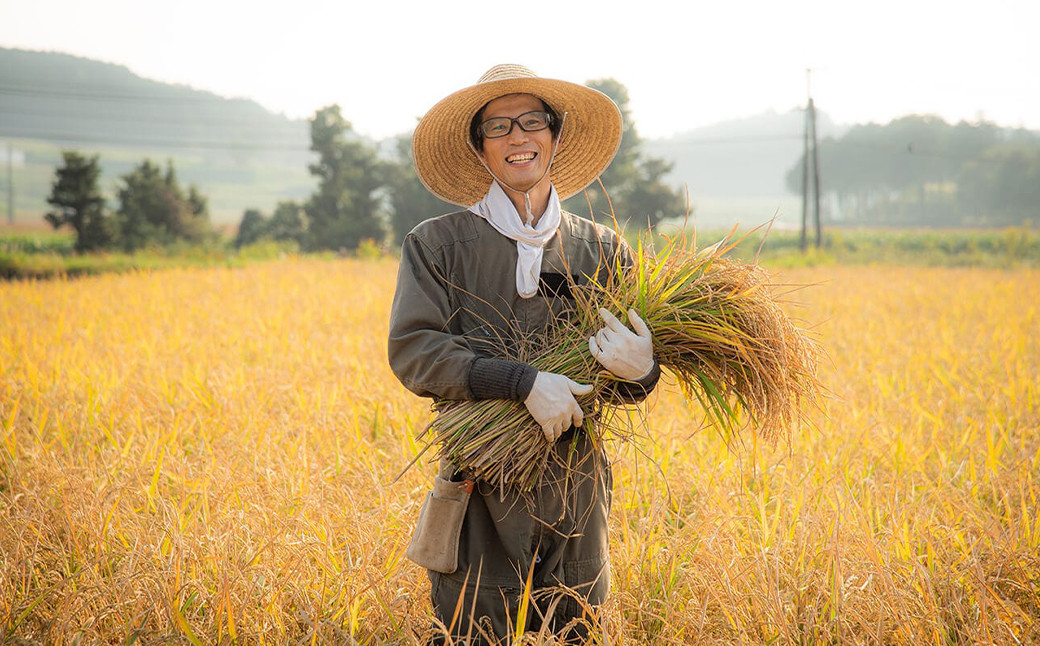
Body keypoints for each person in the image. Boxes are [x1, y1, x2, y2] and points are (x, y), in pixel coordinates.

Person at [388, 64, 660, 645]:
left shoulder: (602, 248)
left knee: (576, 626)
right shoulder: (438, 245)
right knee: (474, 627)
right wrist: (521, 382)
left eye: (532, 122)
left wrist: (644, 371)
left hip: (577, 482)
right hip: (480, 482)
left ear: (555, 136)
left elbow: (628, 367)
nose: (518, 137)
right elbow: (415, 351)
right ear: (479, 149)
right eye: (498, 127)